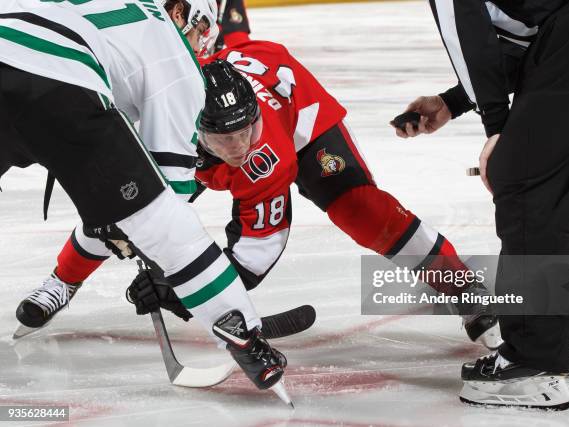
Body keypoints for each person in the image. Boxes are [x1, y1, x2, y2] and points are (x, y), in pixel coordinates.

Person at [26, 38, 502, 352]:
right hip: (202, 127)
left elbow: (258, 250)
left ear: (254, 118)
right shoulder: (166, 125)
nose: (239, 148)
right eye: (223, 140)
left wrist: (181, 293)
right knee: (125, 210)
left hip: (299, 120)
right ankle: (61, 282)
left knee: (362, 209)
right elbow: (117, 209)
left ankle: (468, 292)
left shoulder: (263, 155)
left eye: (245, 130)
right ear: (192, 132)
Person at [0, 0, 288, 398]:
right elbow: (164, 208)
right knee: (159, 222)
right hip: (56, 80)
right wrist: (155, 256)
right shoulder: (177, 59)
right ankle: (245, 339)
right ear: (188, 18)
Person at [396, 0, 569, 410]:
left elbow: (470, 37)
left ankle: (531, 364)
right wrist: (452, 101)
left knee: (529, 185)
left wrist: (497, 128)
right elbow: (542, 42)